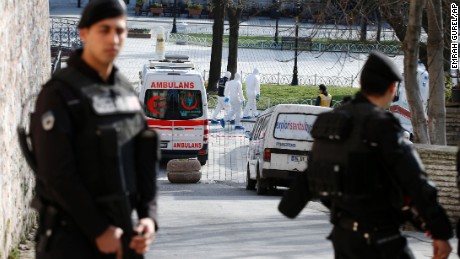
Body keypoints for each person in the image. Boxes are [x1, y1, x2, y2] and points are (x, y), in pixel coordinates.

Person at [279, 51, 453, 259]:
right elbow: (416, 181)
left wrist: (291, 204)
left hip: (343, 239)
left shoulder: (332, 122)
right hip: (380, 240)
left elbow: (314, 171)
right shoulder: (382, 126)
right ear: (392, 88)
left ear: (361, 82)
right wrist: (440, 232)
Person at [29, 0, 159, 258]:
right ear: (84, 33)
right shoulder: (59, 94)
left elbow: (144, 154)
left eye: (120, 30)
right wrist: (98, 230)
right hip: (72, 240)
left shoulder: (125, 90)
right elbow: (57, 175)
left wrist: (148, 217)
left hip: (122, 235)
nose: (113, 38)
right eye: (104, 29)